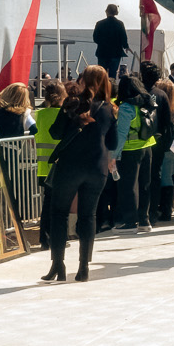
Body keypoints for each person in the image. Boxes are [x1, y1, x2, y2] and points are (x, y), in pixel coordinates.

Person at [41, 66, 116, 282]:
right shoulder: (110, 109)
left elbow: (55, 133)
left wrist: (66, 114)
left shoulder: (72, 103)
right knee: (88, 215)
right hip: (97, 168)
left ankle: (58, 265)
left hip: (70, 167)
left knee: (59, 213)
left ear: (84, 81)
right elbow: (112, 142)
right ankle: (83, 268)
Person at [111, 74, 157, 232]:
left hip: (130, 150)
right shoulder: (146, 101)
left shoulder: (126, 107)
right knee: (145, 184)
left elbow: (122, 133)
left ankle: (130, 221)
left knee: (128, 186)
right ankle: (145, 220)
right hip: (147, 145)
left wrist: (114, 155)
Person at [142, 62, 174, 228]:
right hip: (163, 141)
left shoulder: (147, 94)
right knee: (162, 175)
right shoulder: (163, 98)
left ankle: (151, 209)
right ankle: (159, 210)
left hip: (148, 140)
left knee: (150, 176)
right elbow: (166, 122)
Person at [92, 3, 130, 77]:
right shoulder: (120, 24)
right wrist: (126, 46)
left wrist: (103, 43)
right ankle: (112, 88)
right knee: (112, 75)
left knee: (102, 75)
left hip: (102, 52)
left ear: (106, 11)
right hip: (115, 53)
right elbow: (123, 38)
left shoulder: (99, 23)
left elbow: (95, 38)